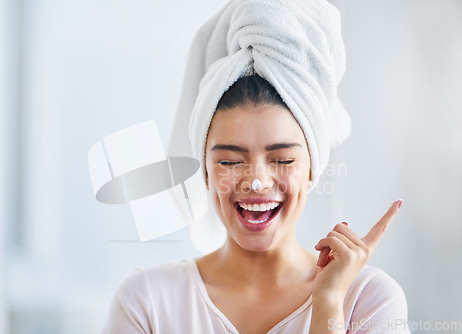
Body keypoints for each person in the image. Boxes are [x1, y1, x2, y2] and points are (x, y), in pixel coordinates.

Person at [101, 1, 409, 333]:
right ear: (205, 170)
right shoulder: (147, 302)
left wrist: (329, 303)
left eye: (283, 159)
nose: (257, 182)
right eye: (230, 161)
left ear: (312, 168)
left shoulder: (368, 300)